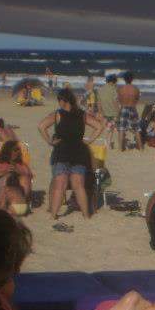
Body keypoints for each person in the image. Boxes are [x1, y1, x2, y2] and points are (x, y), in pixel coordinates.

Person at [38, 88, 105, 221]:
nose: (59, 103)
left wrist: (49, 141)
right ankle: (86, 216)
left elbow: (41, 126)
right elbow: (99, 126)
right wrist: (90, 140)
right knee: (78, 185)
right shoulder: (82, 114)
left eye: (59, 100)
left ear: (63, 101)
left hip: (61, 152)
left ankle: (53, 215)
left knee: (60, 185)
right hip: (79, 152)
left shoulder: (58, 114)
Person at [0, 140, 33, 212]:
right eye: (15, 150)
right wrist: (4, 172)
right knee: (7, 177)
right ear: (8, 150)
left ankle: (23, 202)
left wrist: (18, 172)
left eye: (19, 150)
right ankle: (4, 205)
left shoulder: (21, 163)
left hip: (15, 190)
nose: (18, 152)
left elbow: (30, 176)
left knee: (25, 178)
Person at [117, 71, 141, 151]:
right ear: (132, 79)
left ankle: (120, 148)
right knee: (136, 129)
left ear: (124, 79)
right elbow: (137, 99)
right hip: (133, 107)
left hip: (124, 107)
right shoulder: (136, 89)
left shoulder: (121, 89)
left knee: (122, 128)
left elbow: (119, 100)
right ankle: (140, 148)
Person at [97, 74, 120, 148]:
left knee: (109, 126)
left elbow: (99, 102)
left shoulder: (100, 89)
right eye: (115, 82)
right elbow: (115, 102)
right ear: (113, 82)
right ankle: (107, 141)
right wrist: (118, 111)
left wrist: (100, 112)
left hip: (104, 111)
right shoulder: (114, 89)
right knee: (111, 127)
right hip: (112, 111)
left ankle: (108, 141)